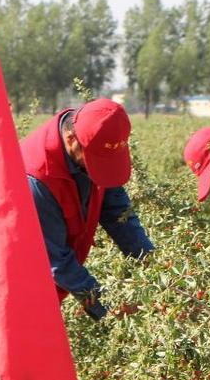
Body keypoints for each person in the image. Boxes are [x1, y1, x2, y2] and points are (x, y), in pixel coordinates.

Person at [19, 99, 154, 320]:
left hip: (52, 283)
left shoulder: (98, 140)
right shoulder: (36, 179)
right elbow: (57, 261)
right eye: (97, 162)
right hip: (21, 290)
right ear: (71, 139)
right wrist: (109, 309)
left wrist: (158, 272)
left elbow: (119, 215)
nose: (102, 170)